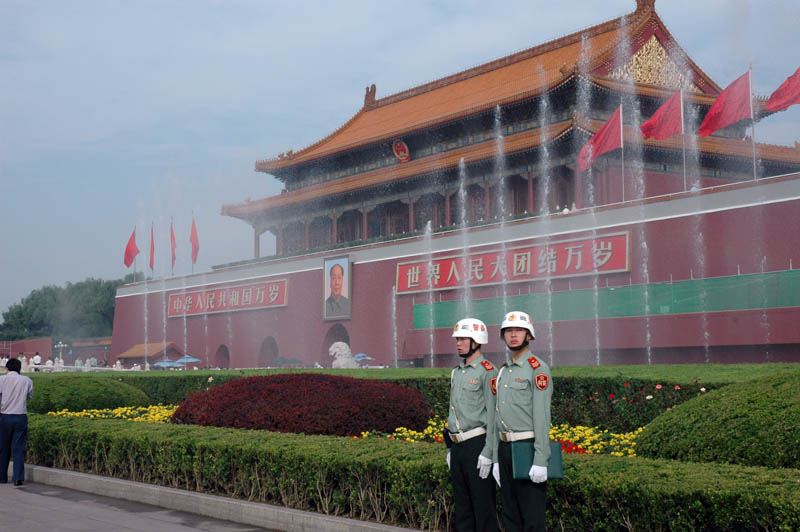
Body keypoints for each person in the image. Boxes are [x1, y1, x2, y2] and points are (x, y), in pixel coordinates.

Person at [491, 311, 552, 532]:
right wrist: (496, 457)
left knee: (532, 518)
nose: (513, 335)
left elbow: (542, 417)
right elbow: (498, 416)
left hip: (527, 448)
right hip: (505, 448)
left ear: (529, 335)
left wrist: (541, 459)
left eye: (518, 330)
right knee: (510, 515)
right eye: (508, 331)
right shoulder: (503, 371)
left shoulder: (538, 369)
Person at [446, 318, 499, 532]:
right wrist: (450, 448)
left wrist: (489, 452)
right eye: (457, 339)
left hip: (477, 446)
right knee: (463, 509)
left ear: (476, 340)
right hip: (458, 447)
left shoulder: (488, 371)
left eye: (463, 339)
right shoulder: (456, 372)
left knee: (483, 508)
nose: (458, 343)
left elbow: (495, 415)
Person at [0, 358, 34, 487]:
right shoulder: (27, 380)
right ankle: (18, 478)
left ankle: (2, 476)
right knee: (18, 448)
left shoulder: (1, 379)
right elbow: (30, 395)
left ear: (7, 368)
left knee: (3, 448)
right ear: (20, 369)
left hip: (5, 417)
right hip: (20, 416)